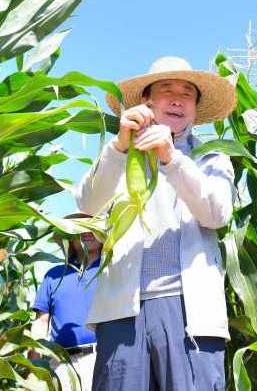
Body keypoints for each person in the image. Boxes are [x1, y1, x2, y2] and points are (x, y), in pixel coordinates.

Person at [73, 56, 237, 391]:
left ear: (194, 108)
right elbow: (87, 205)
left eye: (187, 93)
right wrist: (120, 146)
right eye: (166, 89)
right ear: (147, 100)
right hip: (122, 312)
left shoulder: (213, 157)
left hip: (189, 312)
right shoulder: (119, 154)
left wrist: (171, 158)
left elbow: (216, 213)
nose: (177, 99)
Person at [31, 212, 102, 391]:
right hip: (60, 365)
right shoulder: (53, 276)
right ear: (68, 237)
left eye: (92, 226)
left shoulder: (112, 269)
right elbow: (41, 322)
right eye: (79, 228)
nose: (87, 231)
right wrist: (33, 368)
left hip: (102, 360)